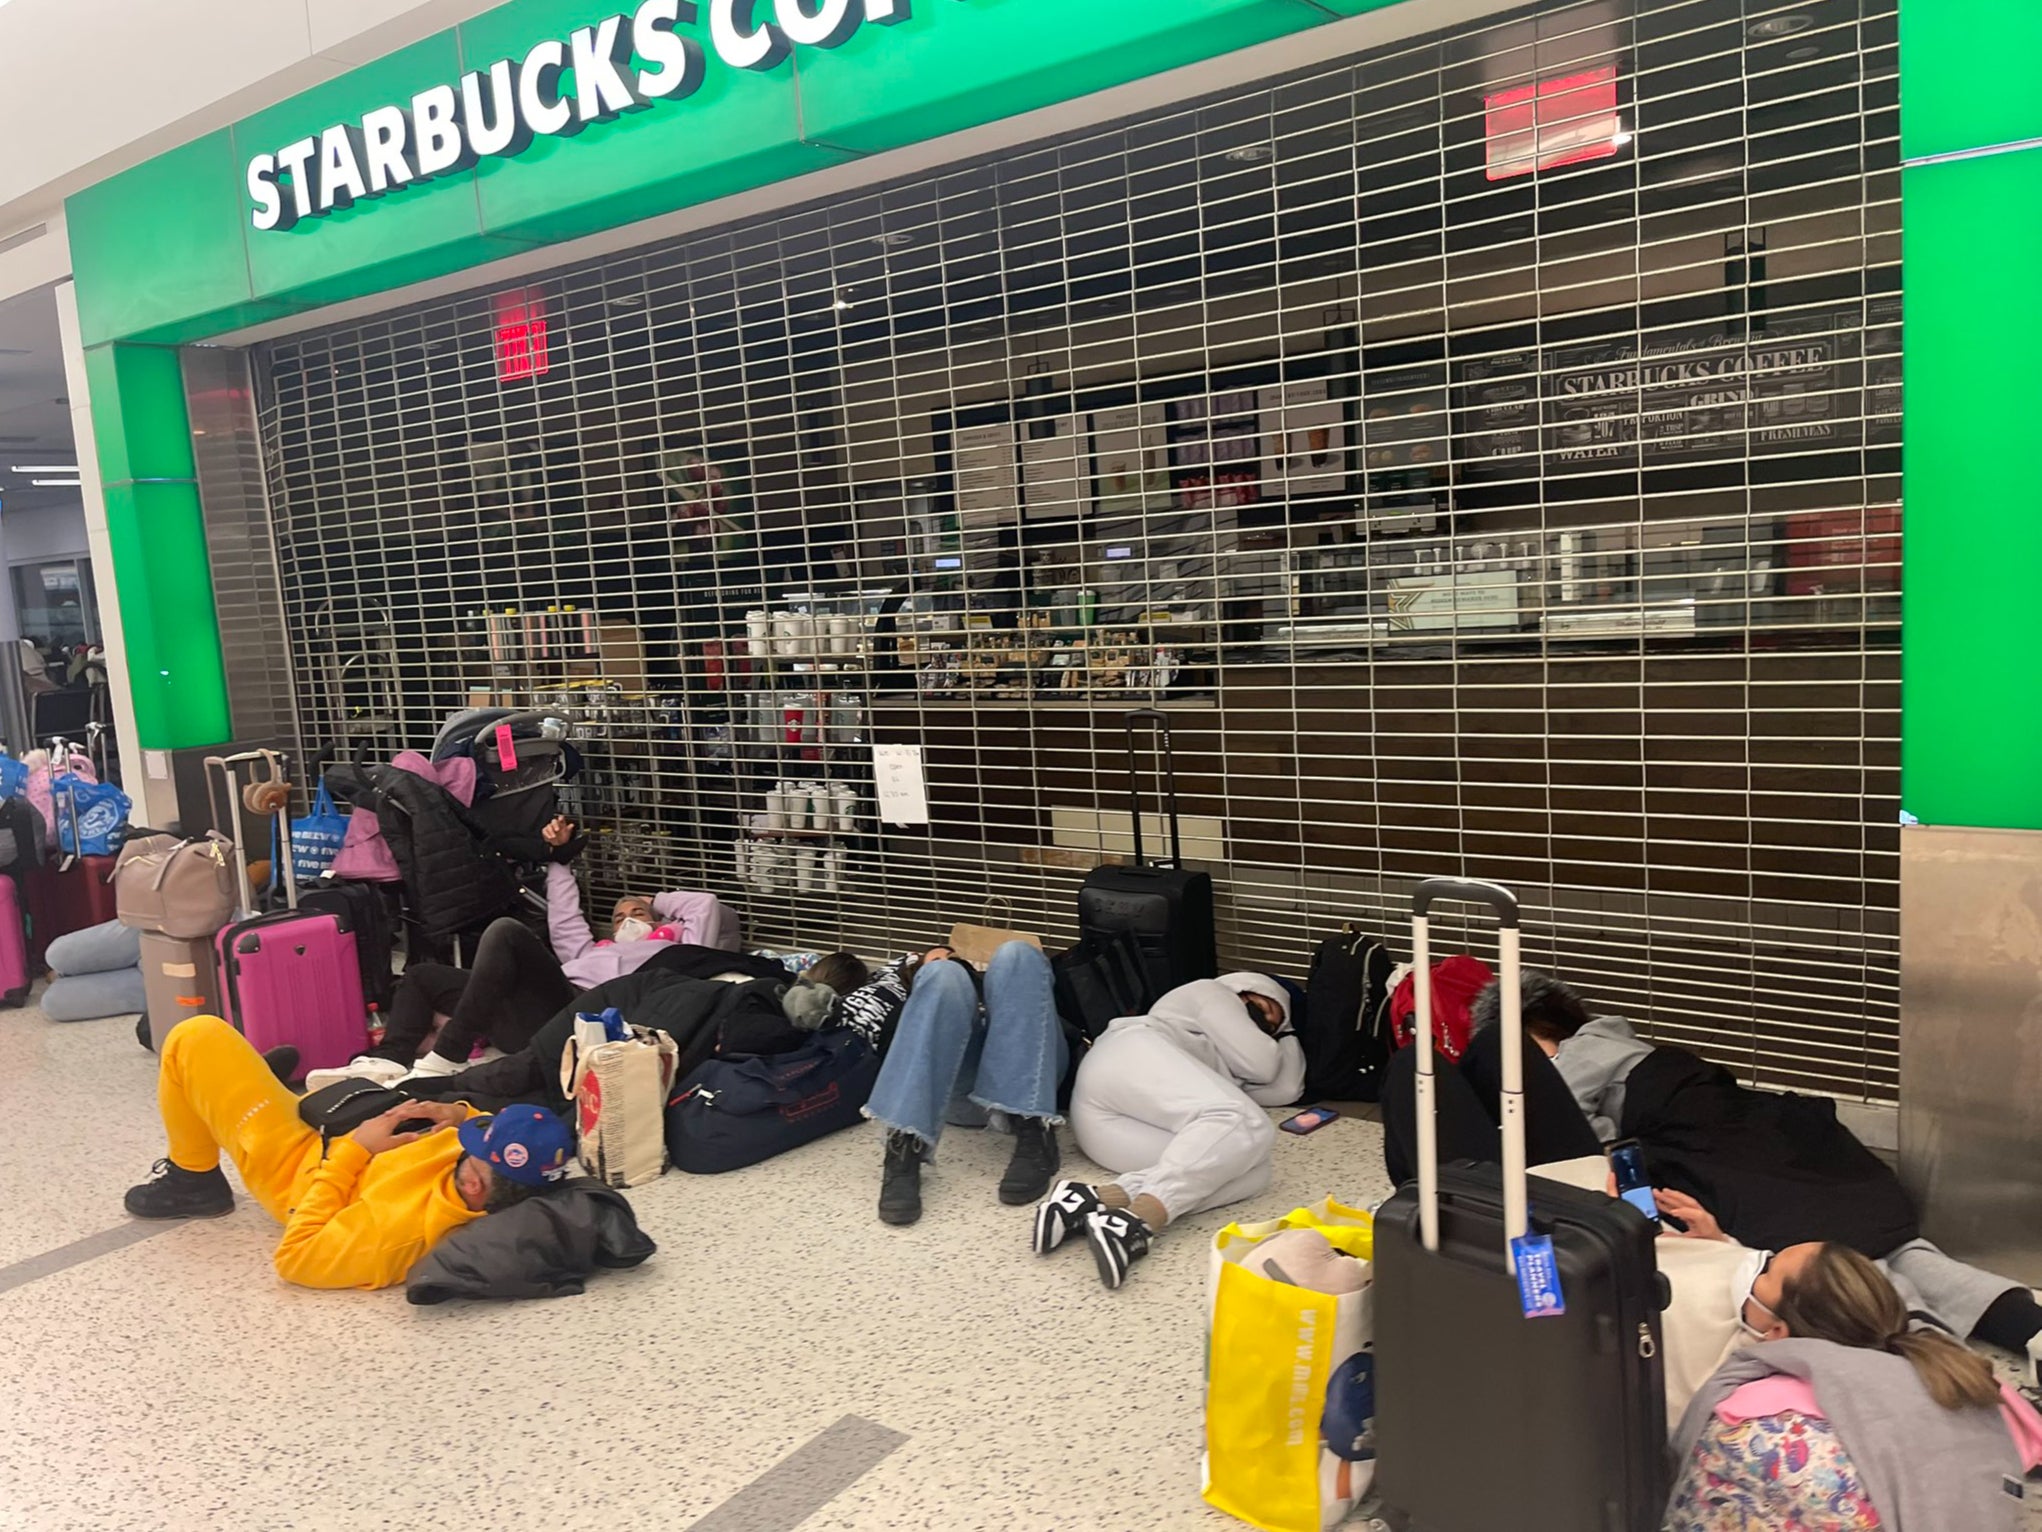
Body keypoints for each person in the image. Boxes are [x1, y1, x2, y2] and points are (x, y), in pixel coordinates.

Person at [123, 1016, 574, 1290]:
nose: (471, 1131)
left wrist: (354, 1151)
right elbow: (478, 1127)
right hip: (338, 1126)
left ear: (473, 1183)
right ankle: (257, 1083)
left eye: (475, 1141)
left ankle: (193, 1178)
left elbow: (295, 1259)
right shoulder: (492, 1180)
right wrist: (456, 1114)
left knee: (193, 1038)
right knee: (223, 1065)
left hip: (297, 1164)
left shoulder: (393, 1233)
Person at [309, 816, 735, 1086]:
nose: (628, 919)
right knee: (422, 976)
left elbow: (706, 905)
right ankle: (389, 1061)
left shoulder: (679, 951)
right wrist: (559, 859)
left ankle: (448, 1054)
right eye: (620, 916)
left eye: (637, 912)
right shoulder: (591, 950)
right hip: (539, 1006)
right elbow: (564, 918)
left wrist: (654, 902)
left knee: (506, 932)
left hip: (582, 1016)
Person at [1666, 1242, 2039, 1531]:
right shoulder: (1952, 1371)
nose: (1755, 1268)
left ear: (1778, 1330)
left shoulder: (1748, 1427)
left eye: (1766, 1271)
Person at [1034, 974, 1304, 1290]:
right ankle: (1137, 1221)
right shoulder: (1211, 992)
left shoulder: (1223, 1068)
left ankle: (1092, 1201)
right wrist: (1280, 1033)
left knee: (1254, 1171)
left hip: (1103, 1126)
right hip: (1127, 1056)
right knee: (1247, 1122)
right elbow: (1263, 1066)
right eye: (1265, 1008)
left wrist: (1287, 1031)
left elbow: (1287, 1088)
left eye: (1273, 1026)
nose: (1266, 1022)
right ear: (1251, 988)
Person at [854, 942, 1067, 1228]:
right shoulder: (925, 1002)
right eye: (935, 957)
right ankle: (903, 1148)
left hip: (1031, 1077)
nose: (949, 958)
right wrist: (941, 974)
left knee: (1017, 954)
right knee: (943, 977)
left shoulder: (1006, 982)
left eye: (951, 954)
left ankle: (1034, 1129)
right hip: (958, 1090)